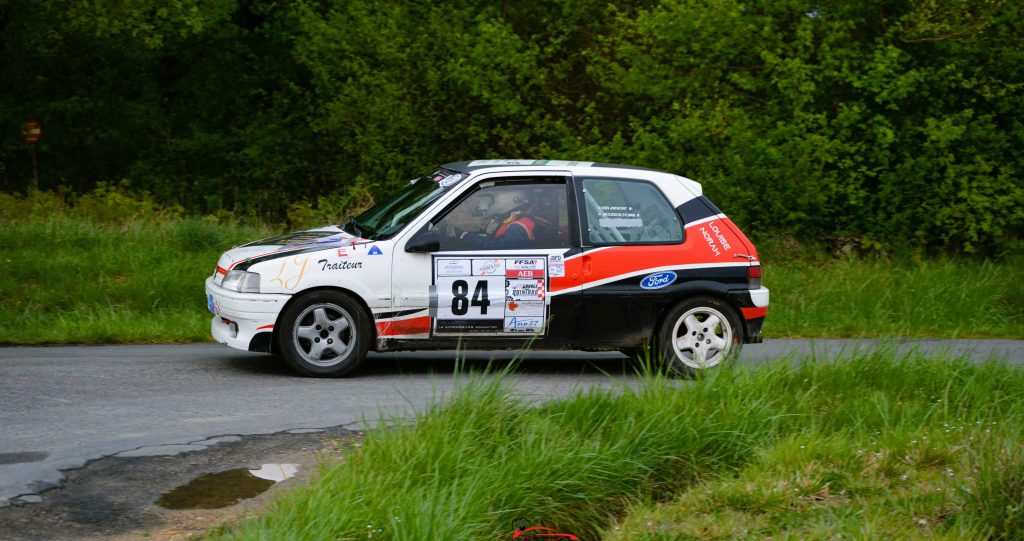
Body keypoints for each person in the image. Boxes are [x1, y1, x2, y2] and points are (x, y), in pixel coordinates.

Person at [443, 188, 544, 250]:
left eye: (492, 202)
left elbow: (496, 246)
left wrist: (466, 237)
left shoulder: (519, 226)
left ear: (512, 200)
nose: (489, 205)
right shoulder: (511, 219)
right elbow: (492, 236)